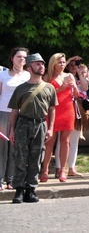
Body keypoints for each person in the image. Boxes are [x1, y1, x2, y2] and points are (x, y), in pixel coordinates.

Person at [8, 53, 57, 204]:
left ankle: (31, 189)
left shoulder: (49, 88)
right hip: (23, 124)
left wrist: (50, 128)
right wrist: (11, 130)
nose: (41, 66)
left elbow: (52, 110)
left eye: (42, 64)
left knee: (36, 158)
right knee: (20, 157)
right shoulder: (21, 89)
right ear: (29, 68)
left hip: (40, 124)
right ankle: (19, 190)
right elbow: (15, 111)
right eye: (37, 64)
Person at [41, 53, 77, 183]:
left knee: (65, 141)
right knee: (49, 141)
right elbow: (43, 95)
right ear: (53, 63)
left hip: (68, 109)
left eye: (63, 62)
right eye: (59, 62)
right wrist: (60, 89)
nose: (62, 65)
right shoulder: (47, 77)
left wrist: (73, 87)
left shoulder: (69, 76)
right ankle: (45, 170)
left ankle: (62, 170)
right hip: (53, 110)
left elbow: (78, 95)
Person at [0, 48, 30, 190]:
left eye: (24, 57)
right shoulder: (3, 75)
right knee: (1, 147)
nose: (21, 59)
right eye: (19, 56)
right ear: (12, 58)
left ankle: (11, 179)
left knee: (15, 147)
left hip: (20, 115)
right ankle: (0, 178)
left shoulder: (28, 76)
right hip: (3, 113)